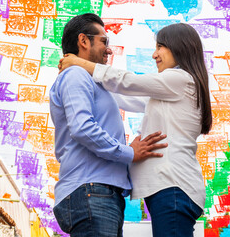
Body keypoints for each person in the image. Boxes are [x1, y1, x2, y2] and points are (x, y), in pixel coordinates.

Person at [58, 23, 213, 237]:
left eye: (160, 47)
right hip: (168, 188)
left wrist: (79, 62)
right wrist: (88, 75)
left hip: (173, 187)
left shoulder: (180, 79)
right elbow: (126, 95)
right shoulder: (170, 90)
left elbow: (128, 82)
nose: (154, 54)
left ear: (179, 47)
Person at [50, 13, 168, 237]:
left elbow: (140, 95)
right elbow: (82, 128)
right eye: (104, 41)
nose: (109, 49)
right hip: (91, 191)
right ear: (83, 41)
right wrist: (129, 153)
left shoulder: (95, 81)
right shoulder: (75, 74)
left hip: (99, 194)